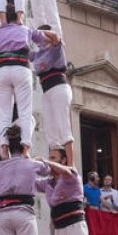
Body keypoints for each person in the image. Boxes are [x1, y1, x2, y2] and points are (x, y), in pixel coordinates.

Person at [0, 7, 56, 146]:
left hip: (2, 70)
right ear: (19, 16)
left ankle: (3, 147)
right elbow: (49, 39)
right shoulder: (26, 29)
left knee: (4, 114)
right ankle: (26, 147)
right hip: (20, 68)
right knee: (25, 111)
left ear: (5, 17)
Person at [34, 25, 73, 164]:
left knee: (63, 125)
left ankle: (71, 164)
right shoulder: (39, 54)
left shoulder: (56, 47)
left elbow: (56, 37)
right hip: (47, 90)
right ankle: (54, 162)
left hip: (59, 87)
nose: (40, 42)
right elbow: (24, 52)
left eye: (42, 38)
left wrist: (36, 32)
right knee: (50, 129)